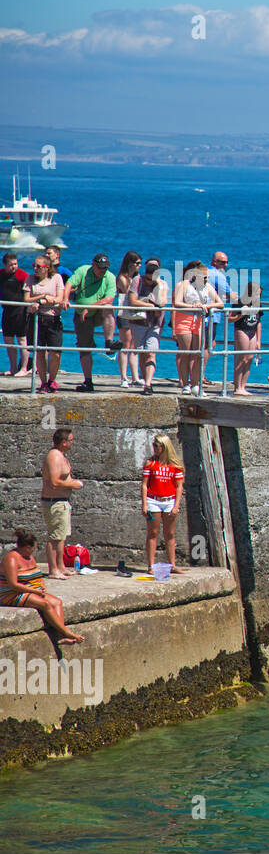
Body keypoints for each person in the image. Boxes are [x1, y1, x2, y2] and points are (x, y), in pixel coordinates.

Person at [0, 529, 83, 644]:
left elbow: (37, 575)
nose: (34, 550)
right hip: (11, 593)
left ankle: (60, 636)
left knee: (57, 602)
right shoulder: (11, 559)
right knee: (45, 604)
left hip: (31, 590)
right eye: (34, 548)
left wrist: (41, 586)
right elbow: (13, 584)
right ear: (27, 547)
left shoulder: (29, 557)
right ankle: (66, 632)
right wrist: (35, 591)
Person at [63, 253, 119, 393]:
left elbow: (109, 299)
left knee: (108, 308)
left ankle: (109, 342)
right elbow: (69, 283)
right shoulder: (83, 270)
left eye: (105, 268)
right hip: (82, 315)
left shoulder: (110, 277)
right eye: (100, 268)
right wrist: (65, 299)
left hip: (98, 313)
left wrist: (90, 307)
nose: (102, 271)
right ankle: (88, 381)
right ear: (93, 264)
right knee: (84, 348)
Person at [41, 429, 82, 580]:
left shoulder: (61, 456)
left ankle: (61, 566)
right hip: (54, 502)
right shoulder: (54, 456)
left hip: (62, 502)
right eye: (71, 440)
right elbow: (54, 482)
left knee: (62, 536)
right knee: (54, 537)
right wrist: (73, 484)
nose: (73, 443)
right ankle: (53, 570)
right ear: (63, 442)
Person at [141, 435, 185, 574]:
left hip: (169, 501)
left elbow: (179, 487)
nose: (154, 448)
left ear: (164, 447)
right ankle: (151, 566)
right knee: (153, 532)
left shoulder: (174, 465)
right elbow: (144, 485)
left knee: (170, 533)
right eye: (153, 445)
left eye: (157, 445)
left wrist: (176, 505)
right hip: (153, 501)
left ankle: (172, 564)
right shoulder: (150, 463)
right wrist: (144, 504)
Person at [172, 261, 217, 396]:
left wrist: (207, 307)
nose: (206, 279)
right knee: (185, 352)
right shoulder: (184, 284)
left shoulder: (206, 287)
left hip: (199, 322)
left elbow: (219, 302)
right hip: (184, 321)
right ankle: (185, 384)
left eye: (207, 277)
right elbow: (177, 303)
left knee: (197, 354)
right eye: (204, 277)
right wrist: (193, 307)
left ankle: (196, 384)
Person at [127, 259, 169, 395]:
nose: (150, 282)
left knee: (151, 352)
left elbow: (162, 302)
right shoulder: (137, 281)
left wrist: (158, 287)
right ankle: (145, 380)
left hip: (155, 323)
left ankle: (148, 384)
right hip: (138, 321)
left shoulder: (163, 284)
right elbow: (133, 301)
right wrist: (150, 305)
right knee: (143, 353)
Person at [25, 256, 65, 393]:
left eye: (38, 267)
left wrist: (42, 302)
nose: (35, 269)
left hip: (53, 319)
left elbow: (59, 298)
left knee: (56, 353)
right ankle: (43, 382)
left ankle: (52, 380)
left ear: (47, 268)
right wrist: (43, 298)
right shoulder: (30, 279)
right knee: (39, 352)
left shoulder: (57, 278)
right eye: (34, 266)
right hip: (36, 319)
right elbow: (26, 298)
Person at [114, 252, 143, 388]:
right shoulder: (122, 278)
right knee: (125, 346)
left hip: (134, 314)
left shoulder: (137, 278)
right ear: (129, 264)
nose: (139, 266)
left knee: (134, 346)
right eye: (137, 263)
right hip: (124, 314)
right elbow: (129, 292)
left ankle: (135, 377)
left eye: (140, 263)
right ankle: (124, 377)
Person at [202, 251, 230, 387]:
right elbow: (228, 294)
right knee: (208, 345)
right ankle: (200, 375)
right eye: (222, 262)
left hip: (200, 314)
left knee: (199, 345)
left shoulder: (204, 272)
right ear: (215, 262)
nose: (226, 265)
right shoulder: (219, 275)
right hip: (212, 315)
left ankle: (193, 376)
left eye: (226, 262)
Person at [1, 253, 31, 377]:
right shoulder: (1, 274)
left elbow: (31, 289)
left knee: (22, 339)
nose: (14, 267)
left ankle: (23, 368)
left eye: (15, 264)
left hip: (20, 311)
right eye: (11, 264)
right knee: (8, 339)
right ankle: (13, 368)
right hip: (6, 310)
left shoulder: (22, 275)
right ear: (5, 265)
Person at [231, 281, 262, 396]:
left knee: (249, 359)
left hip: (253, 331)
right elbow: (230, 318)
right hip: (242, 330)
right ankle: (237, 386)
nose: (258, 297)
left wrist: (259, 340)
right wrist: (241, 314)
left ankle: (243, 386)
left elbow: (259, 322)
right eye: (256, 294)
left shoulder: (257, 303)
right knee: (241, 358)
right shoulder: (239, 302)